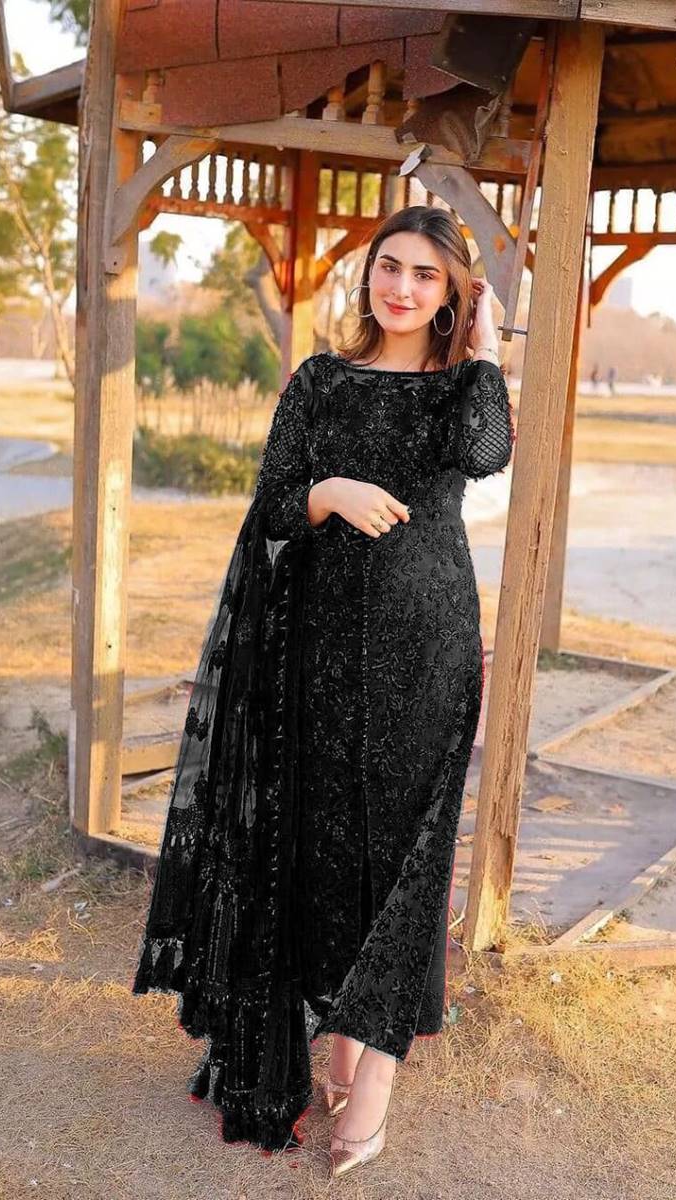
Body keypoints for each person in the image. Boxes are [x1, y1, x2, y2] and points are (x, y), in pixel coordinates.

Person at [131, 205, 514, 1178]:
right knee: (326, 839)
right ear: (366, 275)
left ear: (450, 294)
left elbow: (484, 453)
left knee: (404, 849)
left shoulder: (459, 389)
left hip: (425, 641)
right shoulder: (318, 380)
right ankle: (339, 1038)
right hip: (315, 649)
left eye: (426, 276)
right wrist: (327, 494)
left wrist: (487, 347)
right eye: (389, 267)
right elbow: (269, 498)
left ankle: (372, 1077)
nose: (399, 288)